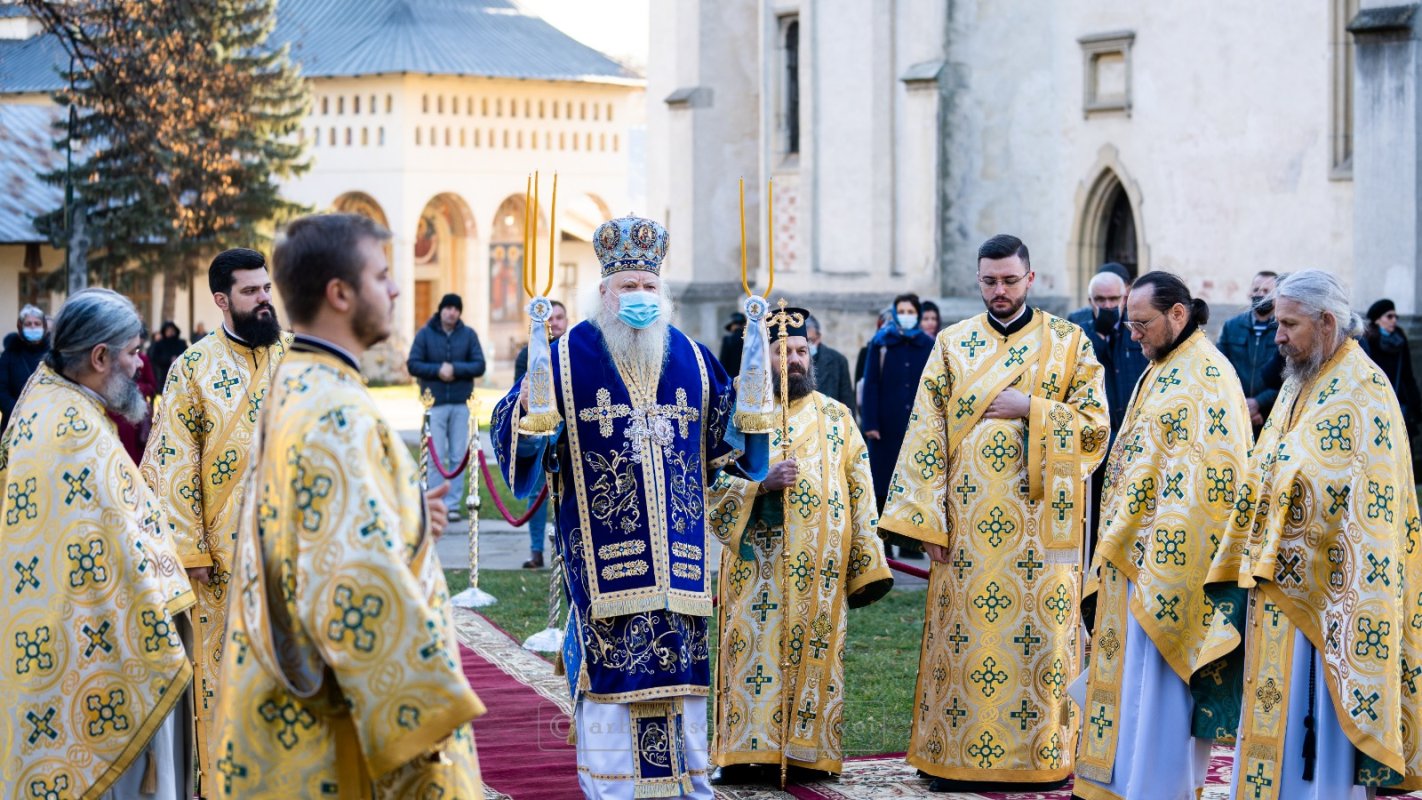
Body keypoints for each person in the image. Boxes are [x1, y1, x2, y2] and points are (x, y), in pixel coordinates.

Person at [213, 214, 484, 797]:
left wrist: (409, 523)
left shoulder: (301, 381)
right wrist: (424, 722)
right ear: (340, 293)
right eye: (382, 276)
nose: (394, 290)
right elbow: (355, 585)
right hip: (341, 746)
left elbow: (319, 540)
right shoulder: (335, 410)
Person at [491, 214, 755, 799]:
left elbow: (731, 447)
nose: (639, 298)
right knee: (613, 681)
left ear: (663, 293)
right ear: (603, 293)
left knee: (682, 683)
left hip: (682, 567)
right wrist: (534, 418)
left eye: (648, 287)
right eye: (627, 288)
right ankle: (612, 789)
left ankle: (687, 786)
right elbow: (515, 434)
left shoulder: (694, 358)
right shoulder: (562, 359)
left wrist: (758, 379)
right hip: (606, 562)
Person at [878, 234, 1110, 792]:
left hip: (1042, 536)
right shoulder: (952, 344)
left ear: (1031, 279)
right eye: (989, 281)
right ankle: (952, 756)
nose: (999, 290)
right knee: (965, 640)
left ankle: (1037, 760)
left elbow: (1096, 427)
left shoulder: (1068, 342)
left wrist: (1032, 408)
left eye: (1009, 280)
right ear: (977, 280)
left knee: (1037, 645)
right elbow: (925, 432)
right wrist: (925, 519)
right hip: (967, 529)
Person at [1209, 270, 1422, 799]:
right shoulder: (1299, 380)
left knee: (1314, 727)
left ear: (1327, 323)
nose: (1277, 336)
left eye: (1288, 324)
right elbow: (1270, 459)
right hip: (1276, 582)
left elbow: (1354, 492)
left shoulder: (1364, 389)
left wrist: (1280, 491)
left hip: (1330, 593)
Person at [0, 288, 195, 799]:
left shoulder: (50, 402)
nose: (139, 363)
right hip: (92, 652)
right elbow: (112, 547)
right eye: (132, 351)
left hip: (58, 637)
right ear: (100, 357)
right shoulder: (71, 430)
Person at [1074, 272, 1252, 800]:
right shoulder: (1165, 367)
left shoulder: (1207, 375)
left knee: (1159, 692)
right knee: (1131, 684)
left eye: (1142, 323)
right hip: (1133, 553)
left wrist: (1158, 554)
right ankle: (1124, 781)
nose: (1134, 334)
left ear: (1178, 315)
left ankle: (1158, 787)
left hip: (1171, 565)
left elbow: (1211, 483)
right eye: (1130, 323)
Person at [706, 309, 892, 784]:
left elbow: (860, 489)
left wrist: (866, 563)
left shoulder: (836, 416)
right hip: (755, 570)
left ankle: (810, 753)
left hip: (820, 574)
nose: (793, 360)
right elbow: (707, 481)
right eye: (781, 351)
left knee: (817, 656)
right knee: (753, 656)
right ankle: (747, 753)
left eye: (800, 351)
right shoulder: (740, 415)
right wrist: (758, 486)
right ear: (763, 357)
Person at [139, 248, 291, 795]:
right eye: (251, 292)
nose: (265, 299)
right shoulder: (192, 368)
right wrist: (190, 550)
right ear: (223, 300)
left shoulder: (294, 357)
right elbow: (170, 462)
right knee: (227, 679)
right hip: (224, 562)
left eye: (267, 288)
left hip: (294, 553)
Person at [861, 292, 935, 556]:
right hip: (884, 427)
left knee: (911, 485)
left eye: (910, 311)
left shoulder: (927, 344)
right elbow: (870, 383)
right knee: (882, 487)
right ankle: (883, 544)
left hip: (916, 427)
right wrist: (870, 422)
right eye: (901, 310)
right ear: (894, 312)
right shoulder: (881, 343)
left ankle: (910, 545)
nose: (906, 315)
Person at [407, 292, 486, 522]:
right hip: (436, 403)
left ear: (459, 312)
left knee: (458, 455)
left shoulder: (468, 335)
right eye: (448, 308)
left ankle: (452, 505)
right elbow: (413, 363)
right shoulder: (425, 334)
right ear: (441, 310)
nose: (452, 312)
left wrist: (455, 369)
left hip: (461, 403)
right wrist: (437, 370)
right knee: (435, 456)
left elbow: (479, 365)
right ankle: (435, 502)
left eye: (456, 309)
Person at [513, 298, 569, 568]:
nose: (554, 323)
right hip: (538, 433)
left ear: (566, 321)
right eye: (550, 318)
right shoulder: (528, 353)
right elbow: (515, 393)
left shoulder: (573, 353)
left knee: (569, 493)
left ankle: (565, 547)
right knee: (537, 495)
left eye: (559, 317)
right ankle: (536, 550)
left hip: (567, 435)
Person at [1216, 270, 1280, 433]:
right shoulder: (1231, 326)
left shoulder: (1283, 330)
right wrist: (1242, 404)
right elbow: (1219, 369)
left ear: (1277, 296)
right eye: (1256, 289)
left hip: (1271, 417)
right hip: (1235, 414)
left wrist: (1258, 403)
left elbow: (1289, 375)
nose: (1260, 294)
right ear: (1249, 292)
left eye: (1266, 291)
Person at [1362, 298, 1422, 436]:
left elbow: (1408, 374)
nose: (1394, 320)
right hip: (1377, 402)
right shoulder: (1367, 341)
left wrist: (1415, 404)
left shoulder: (1399, 339)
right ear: (1377, 320)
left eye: (1395, 316)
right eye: (1389, 316)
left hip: (1399, 401)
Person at [0, 304, 48, 432]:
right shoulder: (9, 354)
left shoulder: (54, 354)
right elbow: (1, 390)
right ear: (21, 327)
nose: (33, 327)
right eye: (28, 324)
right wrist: (19, 412)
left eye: (37, 324)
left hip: (47, 421)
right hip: (14, 423)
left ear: (44, 327)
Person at [806, 314, 856, 415]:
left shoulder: (838, 360)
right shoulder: (790, 360)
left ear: (819, 337)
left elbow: (847, 400)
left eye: (810, 341)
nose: (806, 346)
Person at [149, 319, 188, 390]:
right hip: (164, 374)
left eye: (172, 330)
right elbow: (154, 357)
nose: (170, 332)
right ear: (164, 332)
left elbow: (187, 355)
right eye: (168, 330)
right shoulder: (159, 344)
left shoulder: (181, 343)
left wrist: (178, 359)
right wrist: (168, 360)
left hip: (180, 373)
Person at [720, 311, 747, 377]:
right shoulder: (749, 339)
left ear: (733, 326)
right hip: (747, 377)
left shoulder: (728, 339)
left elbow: (723, 361)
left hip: (732, 378)